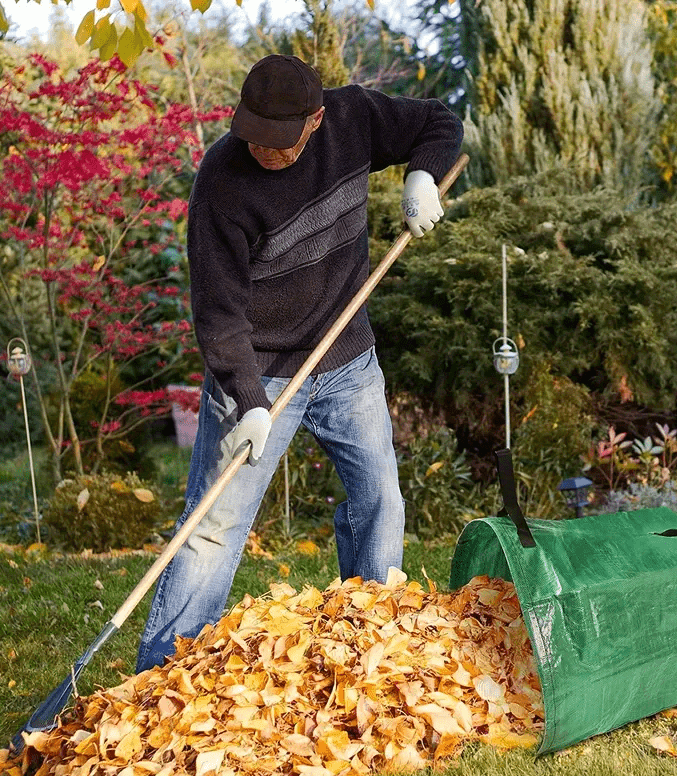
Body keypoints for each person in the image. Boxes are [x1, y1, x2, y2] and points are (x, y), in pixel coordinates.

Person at [136, 54, 463, 672]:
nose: (263, 151)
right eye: (253, 136)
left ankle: (375, 642)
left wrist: (422, 177)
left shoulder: (355, 117)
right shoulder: (222, 182)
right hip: (260, 371)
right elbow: (218, 313)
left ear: (316, 120)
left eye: (279, 142)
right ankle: (158, 679)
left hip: (347, 360)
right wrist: (246, 399)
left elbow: (438, 123)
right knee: (212, 528)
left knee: (381, 500)